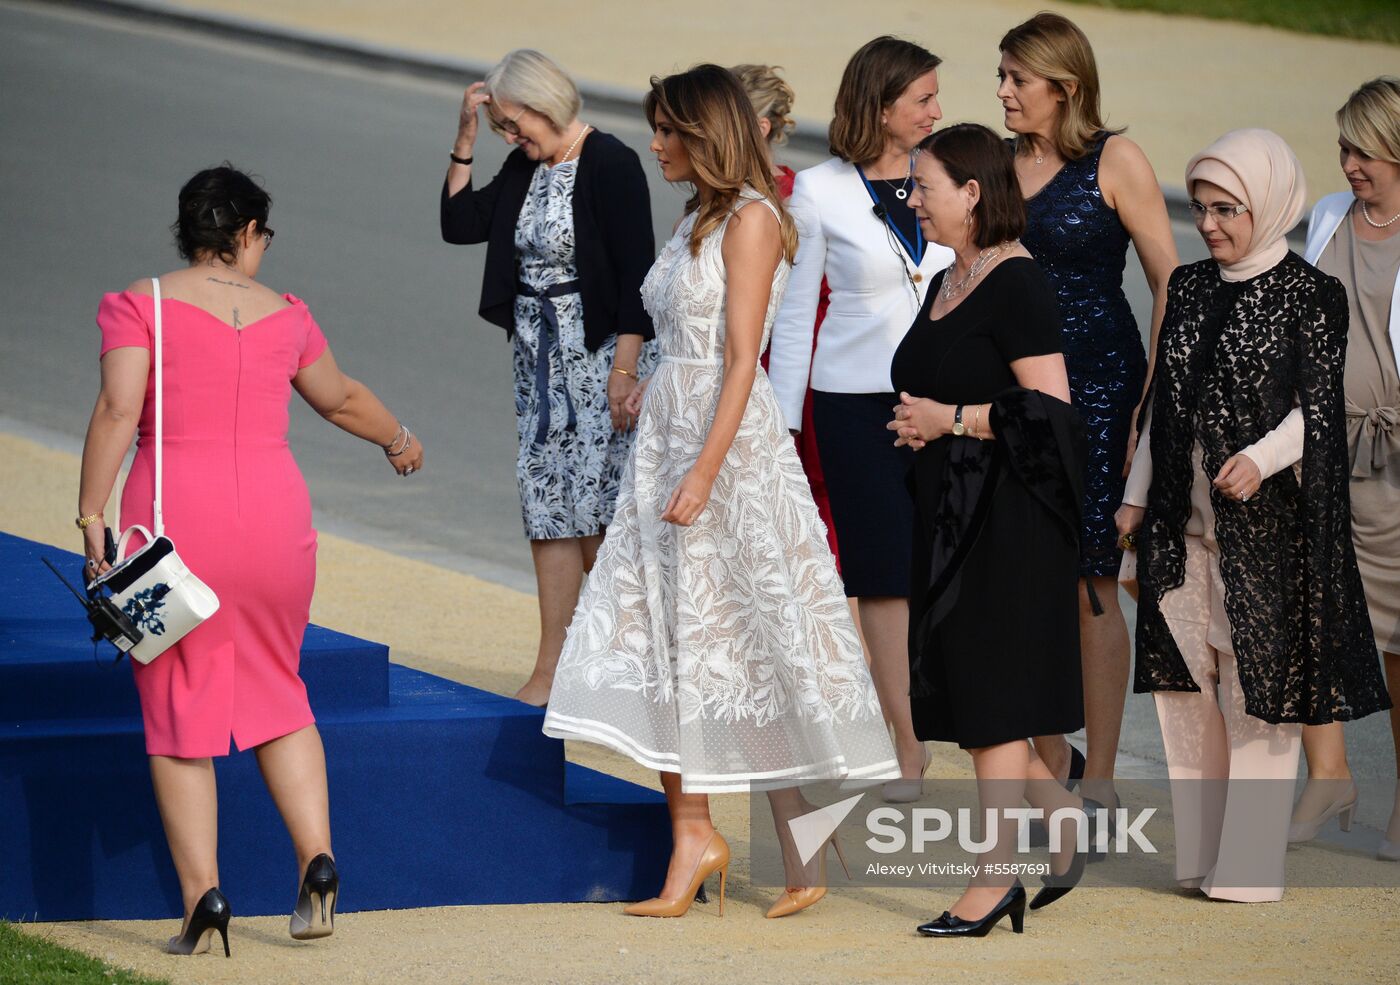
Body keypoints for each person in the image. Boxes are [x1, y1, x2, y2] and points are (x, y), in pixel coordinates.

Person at [542, 65, 899, 920]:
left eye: (667, 130)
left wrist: (703, 470)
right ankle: (698, 833)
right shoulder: (698, 213)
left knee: (743, 634)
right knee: (673, 638)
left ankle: (784, 829)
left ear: (704, 132)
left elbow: (744, 358)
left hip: (724, 446)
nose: (655, 143)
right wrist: (636, 381)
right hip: (667, 435)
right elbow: (667, 324)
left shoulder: (751, 220)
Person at [78, 165, 424, 954]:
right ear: (244, 234)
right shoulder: (287, 314)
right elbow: (338, 397)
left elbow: (118, 408)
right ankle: (318, 859)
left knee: (175, 707)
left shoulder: (143, 305)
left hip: (174, 527)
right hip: (275, 520)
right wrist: (397, 438)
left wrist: (91, 513)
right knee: (278, 686)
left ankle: (204, 897)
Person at [1117, 129, 1391, 902]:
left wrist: (1262, 458)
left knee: (1258, 697)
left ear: (1267, 205)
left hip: (1268, 533)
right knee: (1184, 696)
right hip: (1181, 528)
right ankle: (1200, 858)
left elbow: (1319, 410)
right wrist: (1135, 497)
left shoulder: (1312, 295)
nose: (1207, 224)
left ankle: (1249, 868)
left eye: (1226, 208)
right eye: (1200, 208)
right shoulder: (1192, 288)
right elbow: (1162, 411)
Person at [890, 123, 1093, 938]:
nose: (911, 198)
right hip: (949, 513)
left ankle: (992, 880)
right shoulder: (947, 275)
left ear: (973, 193)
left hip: (1008, 522)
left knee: (995, 704)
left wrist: (954, 420)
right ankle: (1063, 818)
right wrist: (921, 426)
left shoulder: (1018, 284)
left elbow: (1054, 416)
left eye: (923, 185)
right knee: (976, 695)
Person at [997, 12, 1180, 809]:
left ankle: (1099, 783)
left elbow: (1172, 278)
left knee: (1091, 584)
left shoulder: (1118, 159)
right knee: (1021, 580)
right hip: (1017, 395)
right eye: (1000, 76)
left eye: (1017, 79)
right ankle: (1054, 760)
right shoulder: (997, 166)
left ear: (1063, 87)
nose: (1002, 92)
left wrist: (1151, 394)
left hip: (1104, 391)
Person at [439, 49, 657, 706]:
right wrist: (466, 140)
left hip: (599, 361)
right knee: (547, 507)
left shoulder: (611, 163)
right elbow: (458, 225)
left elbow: (638, 279)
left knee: (597, 511)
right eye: (503, 127)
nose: (512, 136)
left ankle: (632, 666)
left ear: (542, 104)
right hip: (538, 364)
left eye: (512, 123)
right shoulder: (521, 165)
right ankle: (553, 666)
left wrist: (625, 371)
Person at [767, 37, 954, 800]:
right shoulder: (815, 192)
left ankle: (980, 731)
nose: (938, 111)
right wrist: (779, 430)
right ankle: (903, 744)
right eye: (923, 100)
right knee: (881, 579)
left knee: (953, 570)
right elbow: (789, 321)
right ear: (880, 108)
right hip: (854, 408)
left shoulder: (950, 176)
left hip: (944, 406)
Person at [1291, 76, 1400, 860]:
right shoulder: (1328, 216)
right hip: (1325, 456)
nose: (1349, 164)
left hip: (1395, 469)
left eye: (1363, 151)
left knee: (1396, 645)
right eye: (1344, 149)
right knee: (1308, 617)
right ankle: (1329, 777)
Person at [731, 63, 845, 576]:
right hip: (725, 361)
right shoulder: (706, 199)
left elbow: (808, 302)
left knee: (802, 493)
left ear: (759, 127)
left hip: (788, 361)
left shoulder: (798, 197)